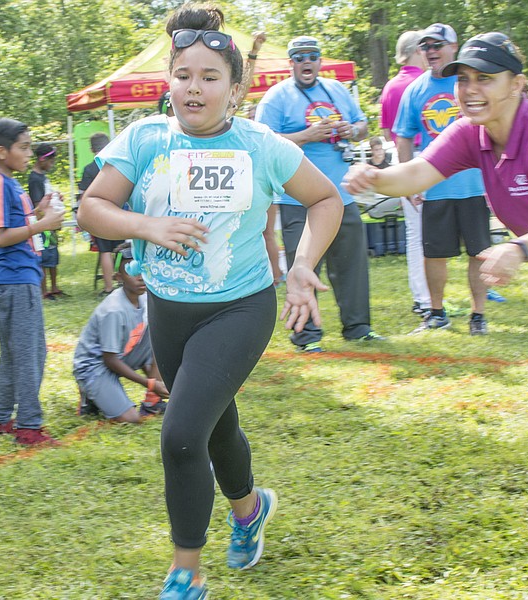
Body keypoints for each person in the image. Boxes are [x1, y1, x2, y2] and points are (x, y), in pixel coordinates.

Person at [78, 5, 344, 597]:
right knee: (215, 425)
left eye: (209, 77)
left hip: (240, 307)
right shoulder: (144, 137)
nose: (193, 88)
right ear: (169, 80)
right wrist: (147, 226)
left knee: (179, 433)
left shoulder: (262, 145)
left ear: (235, 87)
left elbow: (327, 200)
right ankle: (249, 508)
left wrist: (302, 266)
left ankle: (186, 569)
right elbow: (91, 209)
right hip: (169, 310)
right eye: (183, 75)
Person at [344, 32, 528, 546]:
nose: (470, 90)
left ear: (518, 84)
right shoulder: (473, 133)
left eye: (486, 79)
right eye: (464, 79)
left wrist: (515, 251)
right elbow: (417, 172)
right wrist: (374, 177)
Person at [256, 33, 383, 351]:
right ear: (291, 64)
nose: (306, 62)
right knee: (305, 264)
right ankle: (306, 336)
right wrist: (306, 135)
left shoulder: (337, 89)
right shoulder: (276, 97)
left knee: (352, 264)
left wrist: (350, 130)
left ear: (320, 60)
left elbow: (363, 125)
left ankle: (358, 327)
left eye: (312, 56)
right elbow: (263, 141)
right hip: (298, 197)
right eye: (299, 57)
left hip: (341, 195)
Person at [393, 23, 490, 335]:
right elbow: (404, 138)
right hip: (435, 187)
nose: (431, 52)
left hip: (473, 184)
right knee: (434, 254)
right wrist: (409, 180)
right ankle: (436, 313)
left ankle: (478, 315)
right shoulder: (415, 90)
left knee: (479, 253)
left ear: (453, 47)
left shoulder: (470, 84)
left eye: (437, 45)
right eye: (425, 47)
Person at [0, 118, 65, 446]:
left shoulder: (9, 183)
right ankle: (29, 426)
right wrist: (42, 225)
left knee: (14, 353)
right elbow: (0, 237)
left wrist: (37, 210)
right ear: (2, 151)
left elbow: (14, 222)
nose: (30, 154)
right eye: (24, 147)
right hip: (18, 280)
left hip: (18, 279)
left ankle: (3, 419)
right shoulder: (0, 183)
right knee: (31, 353)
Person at [73, 243, 169, 422]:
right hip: (96, 366)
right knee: (131, 419)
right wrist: (150, 383)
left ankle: (152, 402)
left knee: (160, 338)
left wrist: (156, 381)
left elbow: (149, 345)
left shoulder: (145, 298)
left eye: (142, 269)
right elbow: (110, 360)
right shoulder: (114, 310)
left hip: (122, 355)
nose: (140, 277)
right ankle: (89, 394)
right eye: (131, 271)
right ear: (118, 277)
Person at [379, 29, 431, 316]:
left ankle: (422, 296)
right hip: (427, 160)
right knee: (429, 233)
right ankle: (427, 300)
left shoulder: (390, 87)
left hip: (402, 161)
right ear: (416, 51)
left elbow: (387, 132)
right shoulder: (425, 82)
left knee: (415, 233)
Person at [78, 132, 122, 297]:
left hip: (99, 215)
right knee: (121, 249)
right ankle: (123, 282)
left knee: (105, 251)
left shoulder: (89, 169)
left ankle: (109, 287)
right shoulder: (117, 164)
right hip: (119, 212)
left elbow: (82, 196)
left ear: (92, 149)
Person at [28, 143, 67, 299]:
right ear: (42, 159)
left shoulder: (42, 177)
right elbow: (38, 204)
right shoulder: (34, 179)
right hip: (43, 223)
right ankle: (44, 291)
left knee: (53, 255)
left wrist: (56, 196)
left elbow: (47, 196)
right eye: (50, 161)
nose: (52, 165)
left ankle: (54, 287)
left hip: (50, 222)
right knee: (44, 257)